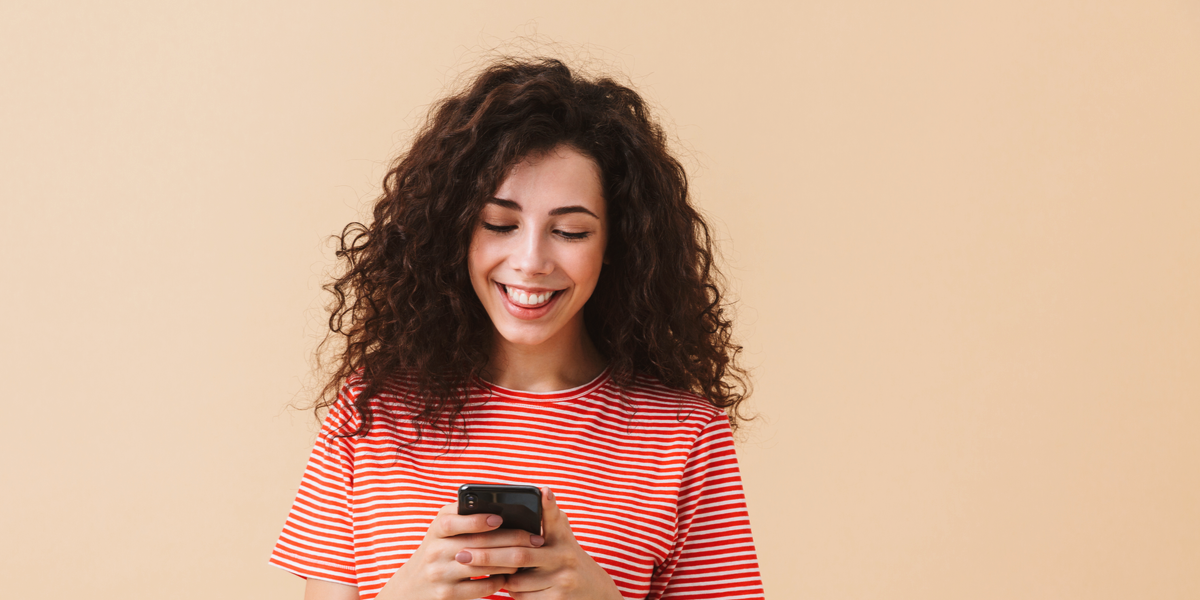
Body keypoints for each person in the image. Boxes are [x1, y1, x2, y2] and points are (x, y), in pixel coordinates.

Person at [270, 57, 764, 600]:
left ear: (615, 247)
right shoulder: (371, 407)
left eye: (571, 231)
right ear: (454, 231)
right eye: (500, 224)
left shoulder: (687, 436)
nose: (531, 261)